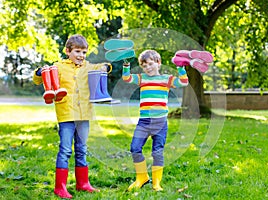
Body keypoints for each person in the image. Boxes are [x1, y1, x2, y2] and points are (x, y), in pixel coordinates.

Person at [33, 34, 109, 199]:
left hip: (84, 115)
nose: (81, 55)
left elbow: (103, 68)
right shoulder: (59, 66)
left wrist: (105, 67)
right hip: (66, 115)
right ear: (67, 51)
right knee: (66, 150)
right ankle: (60, 187)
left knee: (82, 149)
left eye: (84, 52)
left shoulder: (88, 66)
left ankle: (83, 183)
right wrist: (39, 72)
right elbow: (39, 79)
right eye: (77, 51)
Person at [122, 50, 189, 191]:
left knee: (157, 152)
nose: (148, 68)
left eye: (151, 64)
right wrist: (126, 64)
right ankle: (142, 178)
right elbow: (127, 78)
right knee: (135, 148)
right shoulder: (142, 78)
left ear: (158, 63)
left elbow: (183, 82)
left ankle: (156, 183)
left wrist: (181, 68)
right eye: (145, 66)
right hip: (144, 122)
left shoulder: (166, 79)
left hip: (160, 122)